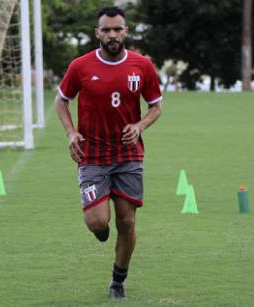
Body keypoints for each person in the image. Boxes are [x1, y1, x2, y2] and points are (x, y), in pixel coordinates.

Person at [54, 6, 163, 301]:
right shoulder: (80, 66)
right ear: (97, 33)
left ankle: (118, 281)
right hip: (91, 156)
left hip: (128, 156)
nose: (112, 35)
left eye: (117, 29)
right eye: (106, 30)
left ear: (126, 31)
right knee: (98, 223)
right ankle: (101, 228)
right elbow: (61, 101)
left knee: (127, 222)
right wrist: (71, 132)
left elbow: (156, 107)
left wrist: (139, 126)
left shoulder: (142, 66)